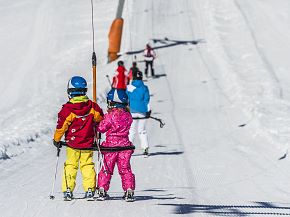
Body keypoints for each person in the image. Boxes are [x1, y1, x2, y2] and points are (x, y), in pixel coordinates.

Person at [53, 76, 103, 201]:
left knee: (71, 165)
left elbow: (61, 126)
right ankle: (90, 188)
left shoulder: (67, 110)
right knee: (87, 165)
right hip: (88, 143)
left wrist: (57, 139)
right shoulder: (92, 107)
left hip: (72, 144)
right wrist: (95, 125)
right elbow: (100, 118)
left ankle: (68, 189)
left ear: (70, 92)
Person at [95, 88, 135, 202]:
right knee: (125, 169)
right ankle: (129, 190)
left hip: (110, 148)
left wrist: (97, 123)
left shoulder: (110, 116)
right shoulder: (128, 116)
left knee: (106, 169)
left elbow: (102, 128)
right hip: (124, 147)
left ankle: (102, 188)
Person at [126, 71, 151, 156]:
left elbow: (126, 99)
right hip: (142, 112)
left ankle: (128, 149)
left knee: (131, 131)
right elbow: (147, 100)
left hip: (132, 112)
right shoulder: (145, 88)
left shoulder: (129, 87)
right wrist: (148, 111)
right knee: (142, 130)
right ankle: (145, 148)